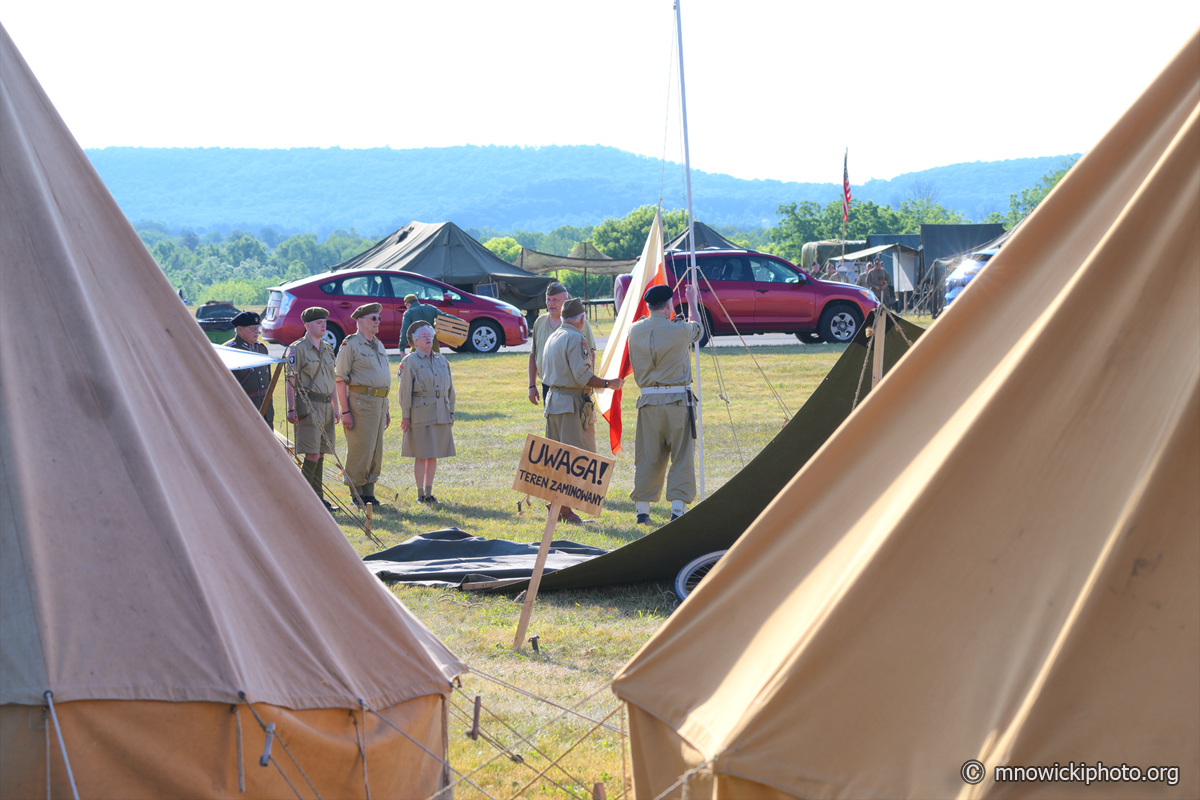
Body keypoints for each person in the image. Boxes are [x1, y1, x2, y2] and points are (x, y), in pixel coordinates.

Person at [541, 297, 623, 523]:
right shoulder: (577, 338)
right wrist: (609, 384)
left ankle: (557, 507)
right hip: (571, 403)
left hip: (554, 402)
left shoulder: (553, 336)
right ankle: (563, 510)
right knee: (579, 458)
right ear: (581, 319)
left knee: (557, 459)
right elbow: (582, 376)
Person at [627, 284, 704, 525]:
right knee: (682, 455)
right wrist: (692, 301)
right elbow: (699, 330)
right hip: (678, 400)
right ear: (670, 305)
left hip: (648, 401)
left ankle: (642, 511)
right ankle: (677, 510)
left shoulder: (634, 330)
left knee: (648, 456)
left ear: (648, 306)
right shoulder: (679, 330)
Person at [335, 302, 391, 506]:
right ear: (360, 321)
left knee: (375, 450)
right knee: (361, 449)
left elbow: (382, 378)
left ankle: (369, 493)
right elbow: (340, 379)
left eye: (379, 318)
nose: (377, 322)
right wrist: (345, 411)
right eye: (373, 318)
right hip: (361, 403)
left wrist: (386, 408)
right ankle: (356, 494)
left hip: (379, 402)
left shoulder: (378, 344)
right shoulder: (350, 344)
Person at [285, 307, 340, 512]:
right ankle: (302, 502)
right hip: (309, 405)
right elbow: (291, 379)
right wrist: (291, 409)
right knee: (312, 454)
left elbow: (332, 379)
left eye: (325, 321)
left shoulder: (328, 348)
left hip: (326, 405)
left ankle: (319, 501)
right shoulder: (297, 348)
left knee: (322, 453)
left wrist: (336, 407)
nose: (324, 325)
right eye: (319, 322)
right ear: (307, 325)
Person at [398, 323, 455, 505]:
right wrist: (405, 416)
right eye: (423, 336)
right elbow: (404, 391)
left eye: (430, 334)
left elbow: (450, 389)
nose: (428, 338)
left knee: (434, 454)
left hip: (440, 412)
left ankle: (430, 493)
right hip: (420, 413)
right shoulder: (410, 361)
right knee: (421, 454)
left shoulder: (442, 360)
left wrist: (450, 412)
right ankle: (420, 494)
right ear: (415, 341)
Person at [528, 282, 596, 407]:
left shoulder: (579, 322)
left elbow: (590, 354)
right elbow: (534, 355)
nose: (550, 303)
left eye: (555, 300)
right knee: (552, 424)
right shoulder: (540, 322)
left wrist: (588, 385)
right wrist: (531, 385)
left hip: (571, 387)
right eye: (548, 300)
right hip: (547, 385)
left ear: (565, 301)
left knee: (572, 423)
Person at [224, 311, 274, 427]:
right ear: (240, 329)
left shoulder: (261, 349)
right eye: (252, 329)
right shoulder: (229, 351)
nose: (257, 332)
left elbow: (268, 381)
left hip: (266, 408)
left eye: (258, 328)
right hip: (243, 408)